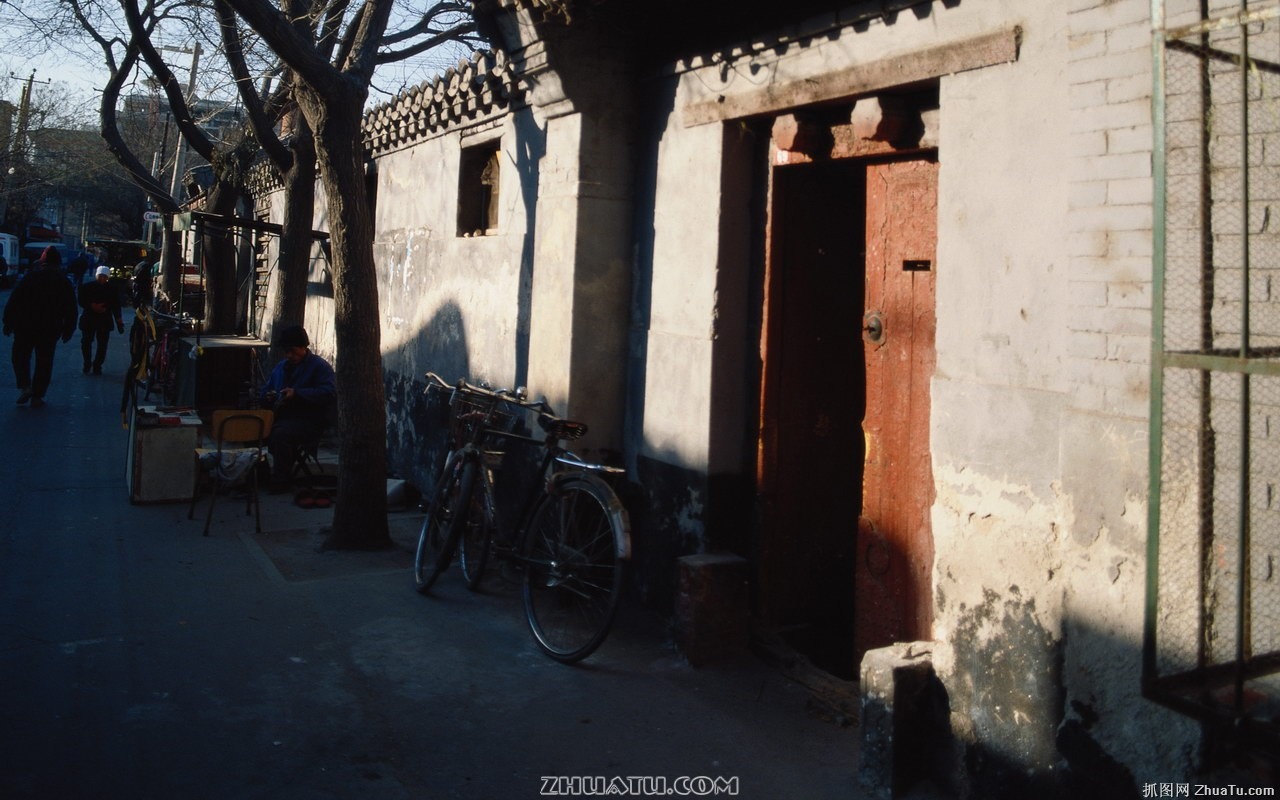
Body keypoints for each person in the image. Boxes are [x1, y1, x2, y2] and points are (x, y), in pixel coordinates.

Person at [258, 325, 336, 491]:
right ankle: (257, 475)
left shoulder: (320, 367)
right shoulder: (281, 367)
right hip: (283, 417)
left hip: (309, 420)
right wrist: (268, 396)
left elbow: (329, 392)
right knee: (254, 428)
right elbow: (266, 389)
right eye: (287, 352)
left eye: (293, 351)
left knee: (281, 434)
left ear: (303, 347)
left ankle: (281, 480)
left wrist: (298, 394)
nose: (289, 355)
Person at [2, 246, 77, 408]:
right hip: (50, 328)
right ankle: (38, 395)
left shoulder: (31, 278)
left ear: (43, 261)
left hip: (25, 326)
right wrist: (69, 329)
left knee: (20, 356)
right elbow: (71, 308)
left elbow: (15, 301)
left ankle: (25, 385)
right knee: (44, 361)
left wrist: (8, 322)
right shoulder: (63, 282)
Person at [78, 265, 125, 375]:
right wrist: (91, 306)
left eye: (104, 276)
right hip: (91, 318)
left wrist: (119, 320)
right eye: (101, 276)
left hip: (103, 319)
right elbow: (81, 300)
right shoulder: (87, 287)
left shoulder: (112, 290)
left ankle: (97, 365)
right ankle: (87, 363)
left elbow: (116, 306)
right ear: (97, 276)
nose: (102, 278)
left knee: (102, 345)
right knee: (86, 342)